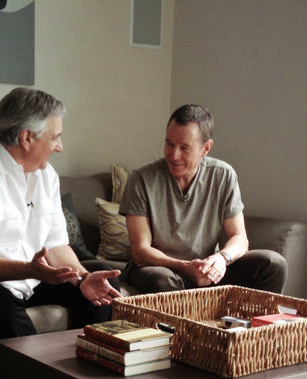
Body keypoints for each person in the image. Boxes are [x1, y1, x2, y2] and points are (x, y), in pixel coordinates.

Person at [0, 88, 121, 345]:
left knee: (102, 277)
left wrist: (82, 278)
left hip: (30, 278)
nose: (60, 147)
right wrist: (31, 270)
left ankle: (93, 368)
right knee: (0, 307)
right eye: (55, 137)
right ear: (27, 138)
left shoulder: (47, 175)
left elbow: (56, 245)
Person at [119, 104, 287, 294]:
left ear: (205, 148)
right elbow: (141, 252)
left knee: (273, 264)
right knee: (162, 280)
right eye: (169, 144)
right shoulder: (141, 179)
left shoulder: (223, 175)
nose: (174, 155)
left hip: (205, 269)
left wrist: (221, 259)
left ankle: (255, 323)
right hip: (157, 268)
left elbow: (239, 238)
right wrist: (185, 266)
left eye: (184, 148)